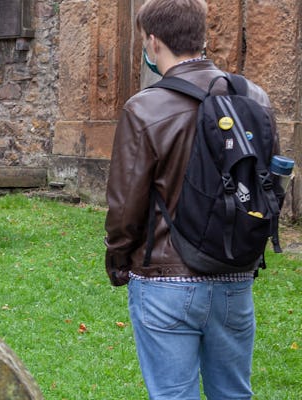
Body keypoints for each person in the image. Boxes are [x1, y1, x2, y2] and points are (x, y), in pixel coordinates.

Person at [104, 0, 277, 398]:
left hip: (164, 279)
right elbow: (267, 184)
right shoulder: (255, 99)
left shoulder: (145, 107)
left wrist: (118, 260)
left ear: (152, 40)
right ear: (202, 35)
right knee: (234, 394)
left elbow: (125, 208)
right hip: (235, 274)